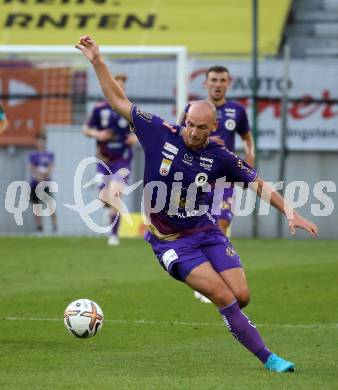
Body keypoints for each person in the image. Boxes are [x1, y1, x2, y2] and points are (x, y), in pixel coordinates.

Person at [76, 35, 318, 373]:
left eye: (200, 127)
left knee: (241, 296)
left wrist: (290, 210)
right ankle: (269, 358)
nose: (192, 131)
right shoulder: (159, 132)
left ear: (213, 128)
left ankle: (235, 318)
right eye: (189, 123)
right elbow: (118, 100)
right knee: (223, 297)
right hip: (171, 244)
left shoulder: (220, 156)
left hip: (205, 230)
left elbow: (257, 183)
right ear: (184, 117)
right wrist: (98, 61)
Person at [180, 65, 255, 303]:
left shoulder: (237, 111)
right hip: (197, 177)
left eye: (222, 80)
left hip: (223, 177)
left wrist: (249, 162)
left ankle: (218, 278)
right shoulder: (193, 109)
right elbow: (181, 135)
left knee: (221, 222)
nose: (218, 84)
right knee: (196, 225)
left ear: (228, 83)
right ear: (205, 83)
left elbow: (247, 138)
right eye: (213, 79)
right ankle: (203, 276)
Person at [84, 74, 138, 246]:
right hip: (104, 158)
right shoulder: (100, 109)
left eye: (122, 86)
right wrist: (98, 134)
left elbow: (143, 132)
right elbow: (86, 129)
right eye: (116, 86)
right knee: (106, 200)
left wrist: (135, 138)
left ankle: (113, 235)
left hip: (122, 158)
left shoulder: (131, 110)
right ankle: (103, 193)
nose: (119, 89)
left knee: (115, 195)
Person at [28, 133, 57, 232]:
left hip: (45, 182)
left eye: (42, 140)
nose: (40, 143)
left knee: (50, 204)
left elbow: (51, 167)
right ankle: (39, 226)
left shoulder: (49, 154)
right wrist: (38, 175)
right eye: (38, 140)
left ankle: (54, 226)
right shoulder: (33, 155)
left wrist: (44, 176)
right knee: (36, 206)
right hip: (35, 183)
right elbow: (31, 167)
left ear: (45, 142)